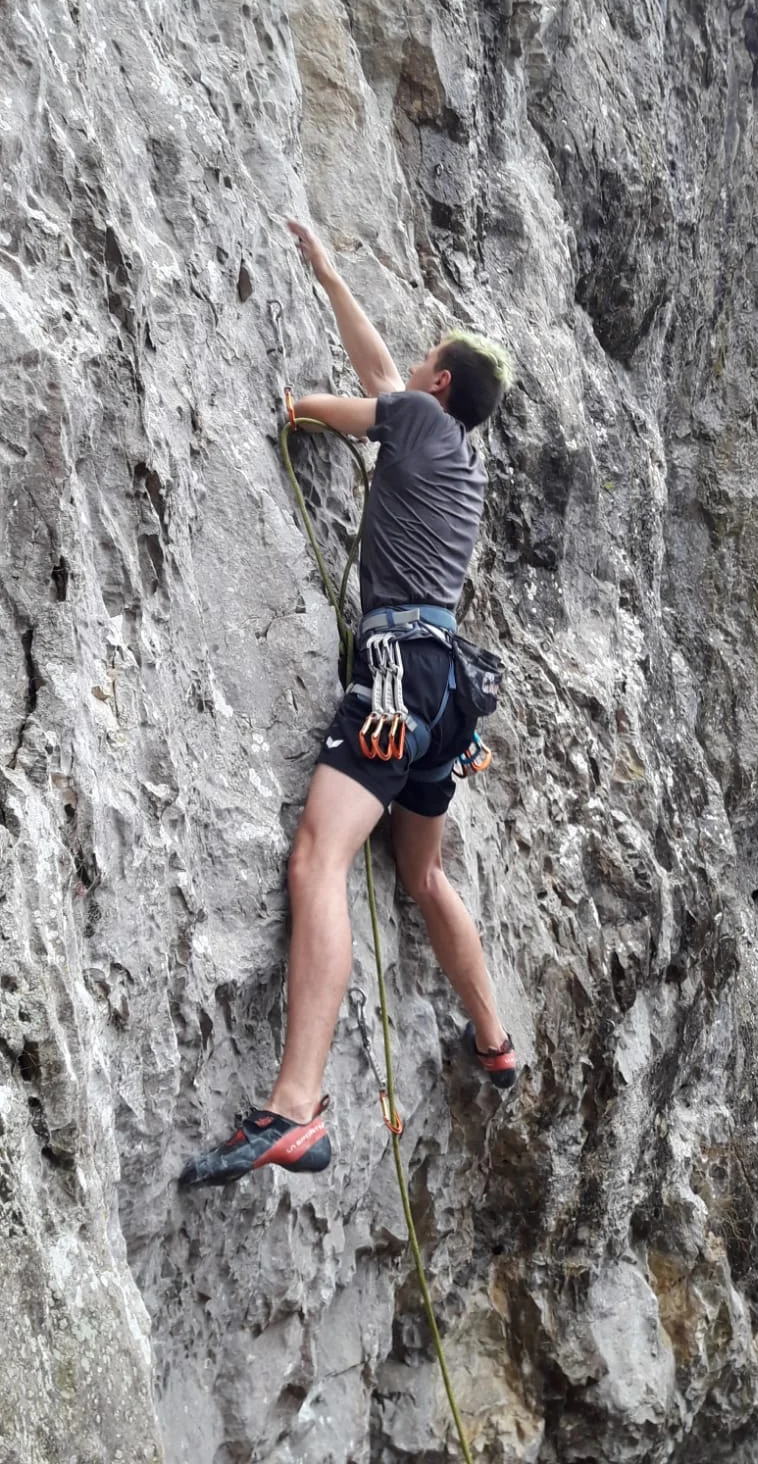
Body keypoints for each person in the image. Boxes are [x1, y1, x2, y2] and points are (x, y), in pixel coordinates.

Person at [179, 224, 516, 1188]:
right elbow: (386, 376)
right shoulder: (460, 456)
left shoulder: (410, 419)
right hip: (451, 689)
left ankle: (295, 1107)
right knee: (422, 875)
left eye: (423, 364)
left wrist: (296, 406)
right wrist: (328, 275)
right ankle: (494, 1039)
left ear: (440, 384)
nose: (407, 367)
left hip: (400, 671)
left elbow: (341, 404)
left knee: (319, 856)